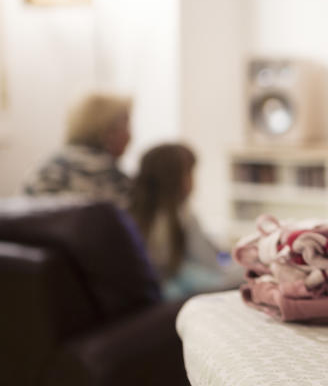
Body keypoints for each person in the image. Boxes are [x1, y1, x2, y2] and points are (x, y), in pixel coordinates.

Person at [128, 142, 242, 300]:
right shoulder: (180, 219)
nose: (194, 181)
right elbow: (211, 267)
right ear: (173, 179)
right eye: (190, 173)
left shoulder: (139, 216)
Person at [23, 92, 133, 208]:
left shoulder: (45, 167)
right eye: (125, 126)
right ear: (107, 131)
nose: (129, 136)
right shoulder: (112, 178)